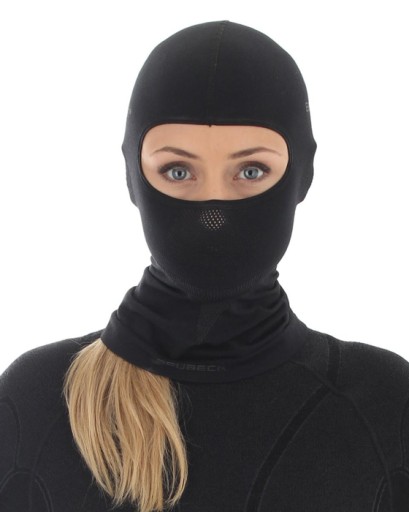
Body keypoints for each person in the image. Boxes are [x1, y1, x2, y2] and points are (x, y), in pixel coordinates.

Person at [1, 19, 409, 512]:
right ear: (132, 178)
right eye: (178, 171)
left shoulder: (386, 406)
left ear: (302, 177)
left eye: (251, 170)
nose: (213, 212)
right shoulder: (39, 403)